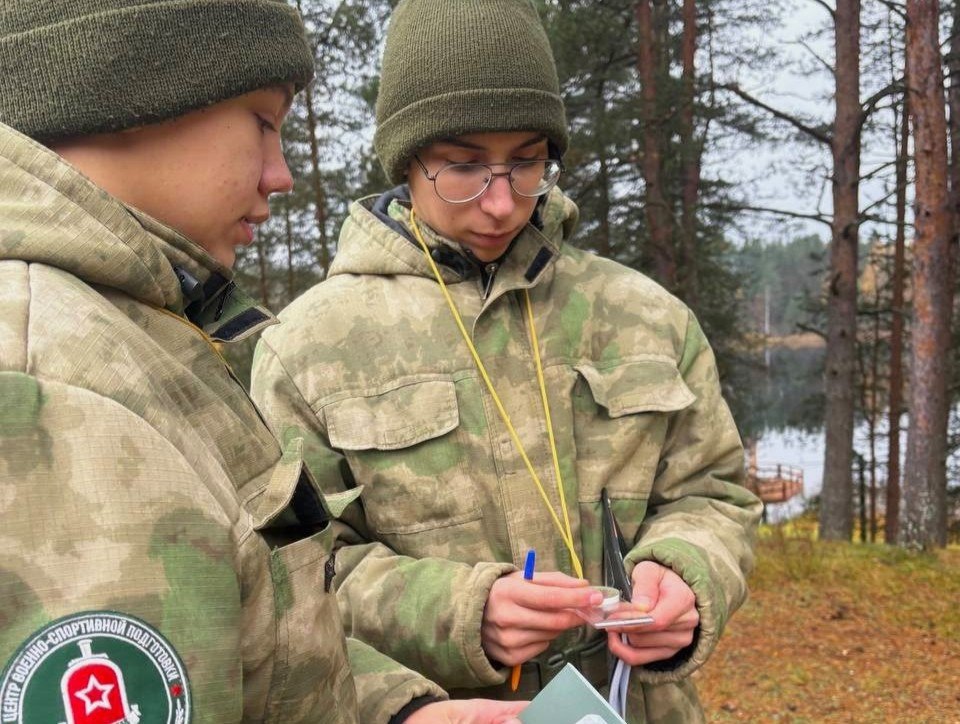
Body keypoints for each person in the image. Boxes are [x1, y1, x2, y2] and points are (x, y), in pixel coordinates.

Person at [0, 2, 528, 722]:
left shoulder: (133, 338)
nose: (281, 174)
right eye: (263, 121)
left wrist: (396, 712)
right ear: (135, 84)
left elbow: (248, 639)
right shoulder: (59, 388)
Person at [250, 0, 763, 721]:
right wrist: (458, 611)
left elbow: (714, 492)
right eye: (462, 167)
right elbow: (290, 578)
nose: (500, 203)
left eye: (526, 163)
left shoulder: (644, 317)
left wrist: (684, 570)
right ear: (407, 159)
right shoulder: (308, 348)